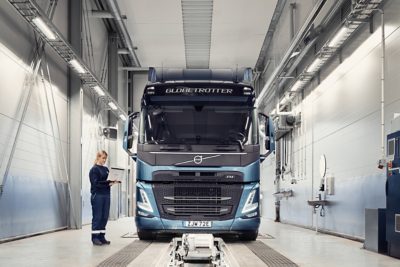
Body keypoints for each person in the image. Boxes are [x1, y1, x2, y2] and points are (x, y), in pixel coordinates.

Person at [89, 150, 120, 246]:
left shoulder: (106, 169)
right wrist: (108, 182)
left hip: (106, 195)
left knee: (104, 216)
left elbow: (107, 182)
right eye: (103, 158)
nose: (104, 160)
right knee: (97, 216)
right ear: (98, 157)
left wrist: (112, 182)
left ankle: (102, 236)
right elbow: (96, 183)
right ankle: (95, 237)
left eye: (105, 158)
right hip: (97, 195)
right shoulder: (94, 170)